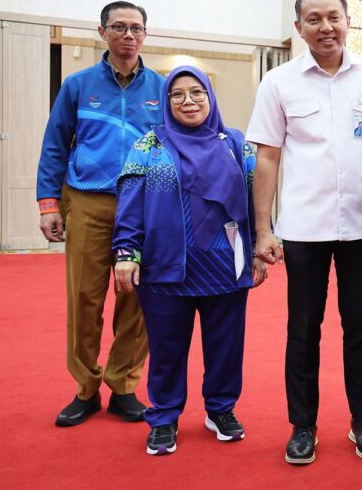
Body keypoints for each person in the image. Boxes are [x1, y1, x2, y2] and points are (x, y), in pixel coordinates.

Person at [246, 0, 362, 466]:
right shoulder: (279, 82)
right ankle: (303, 425)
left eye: (333, 17)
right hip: (303, 229)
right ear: (299, 28)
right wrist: (263, 230)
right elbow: (267, 158)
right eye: (313, 19)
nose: (325, 27)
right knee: (302, 330)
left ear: (348, 21)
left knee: (361, 329)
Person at [112, 65, 266, 455]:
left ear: (210, 97)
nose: (188, 101)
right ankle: (164, 417)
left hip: (226, 265)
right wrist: (127, 252)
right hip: (165, 267)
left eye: (197, 92)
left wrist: (259, 248)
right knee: (166, 349)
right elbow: (129, 202)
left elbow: (255, 202)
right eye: (177, 94)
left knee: (226, 346)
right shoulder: (149, 144)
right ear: (166, 101)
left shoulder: (236, 144)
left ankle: (221, 409)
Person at [37, 1, 163, 427]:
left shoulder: (162, 88)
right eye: (119, 27)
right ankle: (86, 388)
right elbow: (55, 144)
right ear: (102, 31)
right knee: (85, 298)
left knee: (137, 299)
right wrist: (49, 205)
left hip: (142, 205)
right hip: (88, 201)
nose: (129, 35)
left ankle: (124, 385)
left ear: (145, 34)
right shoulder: (78, 85)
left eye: (136, 28)